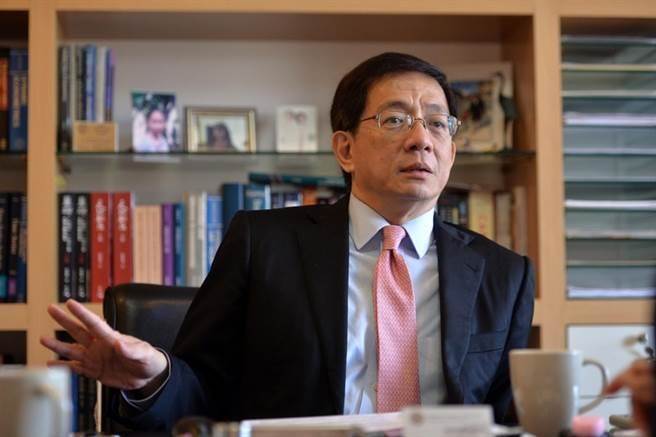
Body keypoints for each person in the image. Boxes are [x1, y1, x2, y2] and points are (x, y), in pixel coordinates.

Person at [42, 52, 535, 431]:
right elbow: (203, 392)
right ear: (345, 148)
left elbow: (509, 417)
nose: (421, 139)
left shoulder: (504, 274)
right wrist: (154, 376)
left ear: (450, 149)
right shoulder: (262, 244)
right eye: (395, 119)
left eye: (437, 123)